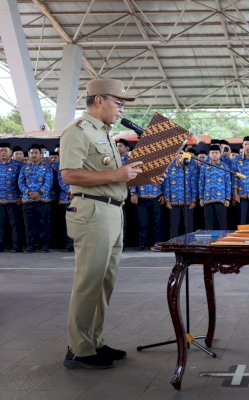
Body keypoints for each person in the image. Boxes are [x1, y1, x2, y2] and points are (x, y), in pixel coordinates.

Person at [60, 78, 143, 369]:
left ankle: (94, 341)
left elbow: (110, 170)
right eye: (118, 104)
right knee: (89, 282)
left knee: (104, 283)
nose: (121, 110)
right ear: (99, 101)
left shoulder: (104, 132)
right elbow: (69, 174)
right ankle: (79, 349)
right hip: (92, 212)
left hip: (112, 211)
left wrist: (132, 172)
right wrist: (116, 176)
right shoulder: (78, 131)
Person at [18, 144, 53, 253]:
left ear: (40, 154)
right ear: (28, 155)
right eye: (31, 153)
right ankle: (30, 246)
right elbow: (20, 182)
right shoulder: (24, 168)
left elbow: (48, 182)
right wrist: (28, 192)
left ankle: (45, 246)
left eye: (36, 153)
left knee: (44, 224)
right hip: (27, 200)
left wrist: (39, 193)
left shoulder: (47, 167)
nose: (34, 155)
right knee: (29, 225)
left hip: (43, 200)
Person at [164, 151, 198, 238]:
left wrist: (194, 200)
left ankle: (189, 243)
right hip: (174, 201)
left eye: (181, 154)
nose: (180, 156)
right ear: (174, 155)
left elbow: (193, 185)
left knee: (189, 224)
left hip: (188, 201)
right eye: (178, 153)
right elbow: (166, 185)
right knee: (174, 224)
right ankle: (173, 243)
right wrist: (167, 200)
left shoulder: (190, 167)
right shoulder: (170, 167)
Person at [199, 144, 231, 230]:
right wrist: (201, 198)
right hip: (207, 198)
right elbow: (201, 183)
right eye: (212, 153)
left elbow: (228, 183)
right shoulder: (204, 167)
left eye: (216, 153)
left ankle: (223, 242)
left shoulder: (225, 166)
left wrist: (228, 198)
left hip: (221, 199)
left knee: (222, 222)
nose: (214, 154)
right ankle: (208, 243)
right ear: (209, 154)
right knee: (208, 223)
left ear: (220, 154)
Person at [0, 142, 23, 252]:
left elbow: (21, 181)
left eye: (5, 150)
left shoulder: (17, 165)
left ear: (10, 153)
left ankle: (16, 246)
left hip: (14, 199)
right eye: (0, 150)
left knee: (15, 224)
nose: (2, 152)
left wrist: (20, 195)